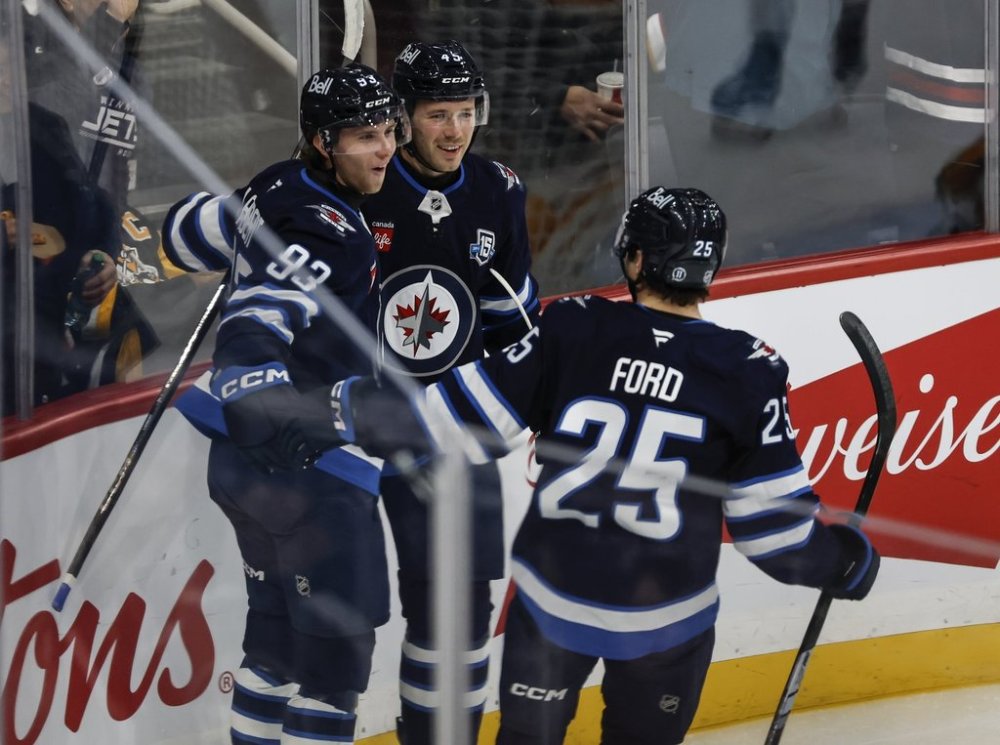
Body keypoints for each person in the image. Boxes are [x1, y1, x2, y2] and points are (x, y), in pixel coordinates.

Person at [332, 186, 882, 744]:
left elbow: (444, 421)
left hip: (552, 612)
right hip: (667, 628)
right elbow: (776, 539)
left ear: (636, 258)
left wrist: (336, 410)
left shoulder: (573, 329)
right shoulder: (748, 370)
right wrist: (845, 563)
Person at [163, 64, 409, 744]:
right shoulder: (334, 229)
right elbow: (257, 317)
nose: (385, 148)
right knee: (334, 666)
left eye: (389, 131)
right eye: (365, 136)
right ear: (324, 143)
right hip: (309, 473)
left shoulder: (272, 183)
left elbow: (182, 233)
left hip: (241, 471)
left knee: (272, 645)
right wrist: (259, 395)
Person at [361, 39, 540, 745]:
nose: (456, 130)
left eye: (466, 112)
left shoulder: (499, 190)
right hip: (358, 424)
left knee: (458, 608)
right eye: (439, 113)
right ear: (403, 118)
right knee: (341, 616)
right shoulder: (362, 184)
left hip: (449, 435)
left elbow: (513, 326)